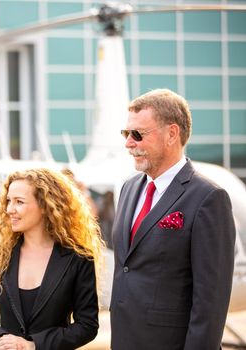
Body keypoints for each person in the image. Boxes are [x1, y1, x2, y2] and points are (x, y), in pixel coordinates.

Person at [110, 89, 235, 350]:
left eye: (137, 134)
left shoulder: (209, 197)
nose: (128, 143)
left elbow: (210, 301)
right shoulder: (129, 188)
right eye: (126, 133)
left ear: (171, 134)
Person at [0, 168, 103, 350]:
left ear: (45, 205)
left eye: (19, 202)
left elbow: (87, 326)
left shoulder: (79, 258)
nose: (9, 209)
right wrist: (2, 339)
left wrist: (34, 345)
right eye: (8, 201)